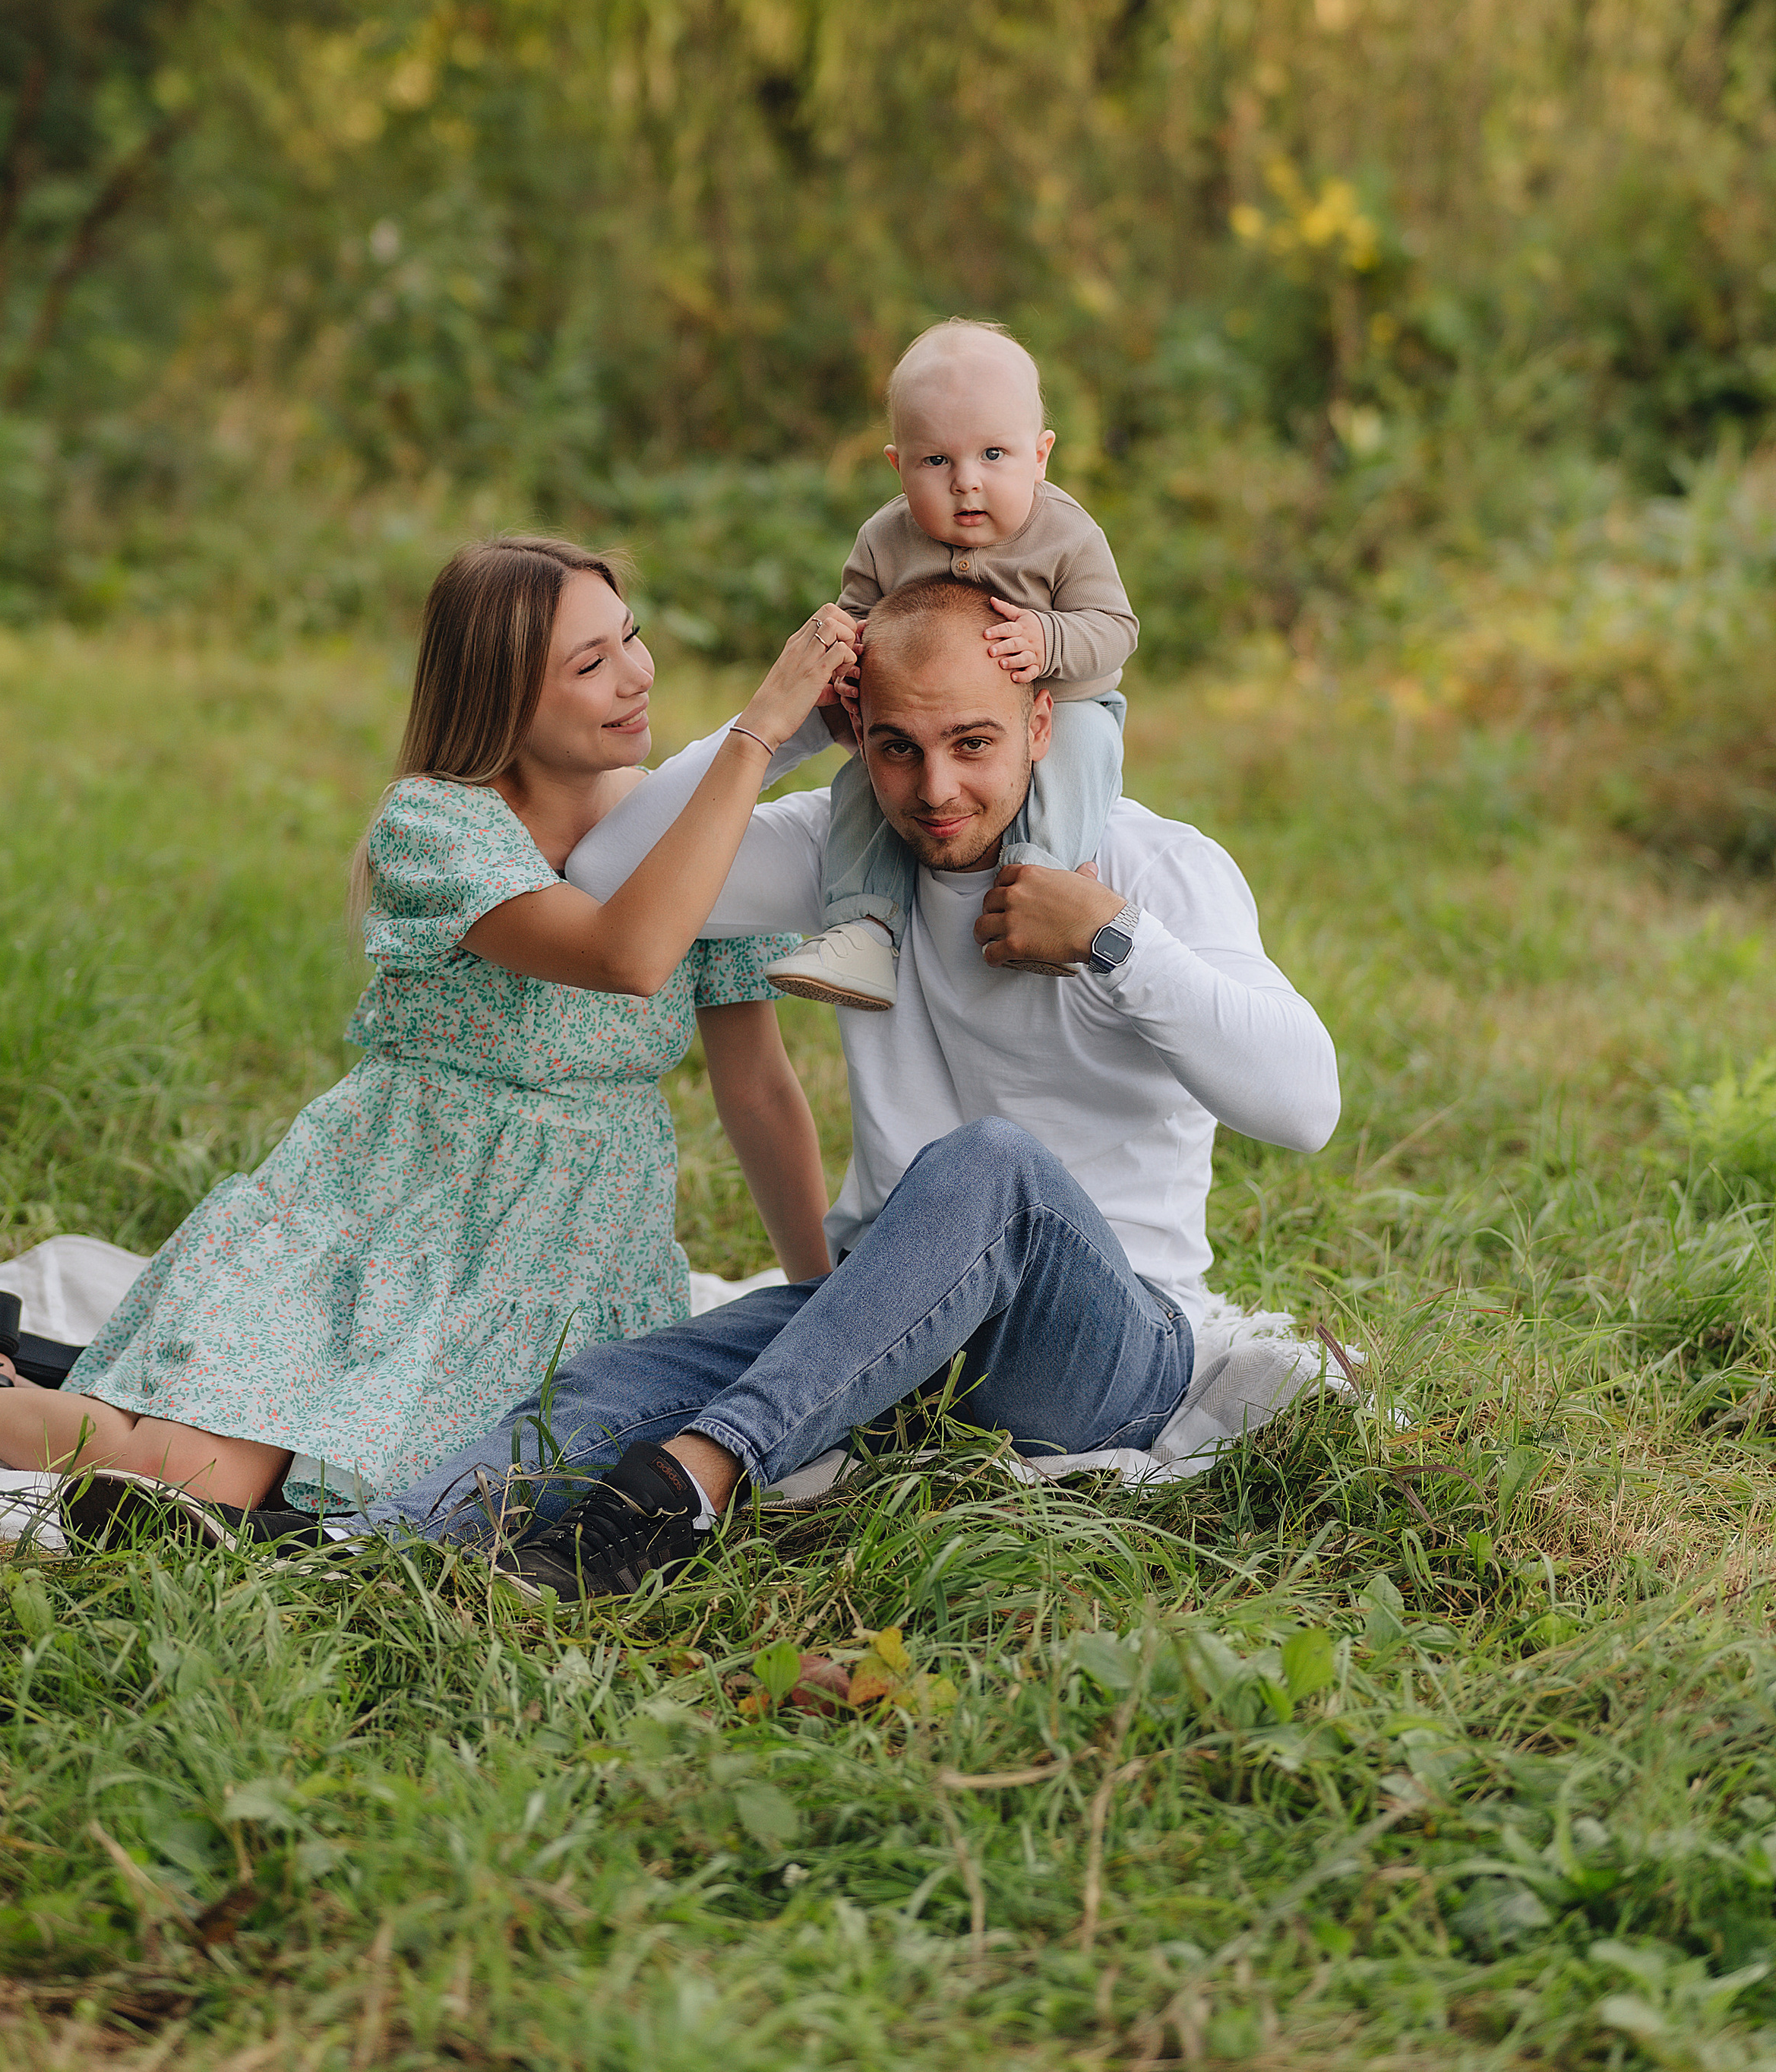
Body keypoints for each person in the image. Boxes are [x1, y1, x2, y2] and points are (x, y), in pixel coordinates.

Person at [341, 574, 1340, 1598]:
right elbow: (604, 865)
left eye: (974, 742)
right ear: (861, 732)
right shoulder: (843, 854)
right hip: (893, 1323)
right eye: (897, 746)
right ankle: (372, 1552)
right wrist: (782, 731)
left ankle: (687, 1485)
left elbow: (1306, 1108)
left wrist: (1112, 940)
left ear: (1044, 721)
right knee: (618, 1378)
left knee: (993, 1166)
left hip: (1100, 1351)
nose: (936, 787)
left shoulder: (1156, 865)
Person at [0, 539, 855, 1511]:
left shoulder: (688, 829)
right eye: (591, 662)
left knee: (497, 1498)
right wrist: (759, 733)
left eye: (631, 637)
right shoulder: (439, 824)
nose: (636, 676)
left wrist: (823, 1306)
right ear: (504, 697)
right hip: (388, 1231)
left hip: (565, 1258)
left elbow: (758, 1085)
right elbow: (623, 955)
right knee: (200, 1476)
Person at [766, 319, 1138, 1013]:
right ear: (898, 464)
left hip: (1064, 707)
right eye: (936, 461)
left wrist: (1051, 640)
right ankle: (865, 926)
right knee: (859, 788)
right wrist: (849, 664)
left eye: (993, 454)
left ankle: (1043, 884)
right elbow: (855, 620)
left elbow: (1117, 628)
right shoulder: (884, 538)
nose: (966, 483)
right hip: (918, 725)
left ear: (1040, 456)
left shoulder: (1067, 535)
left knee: (1082, 751)